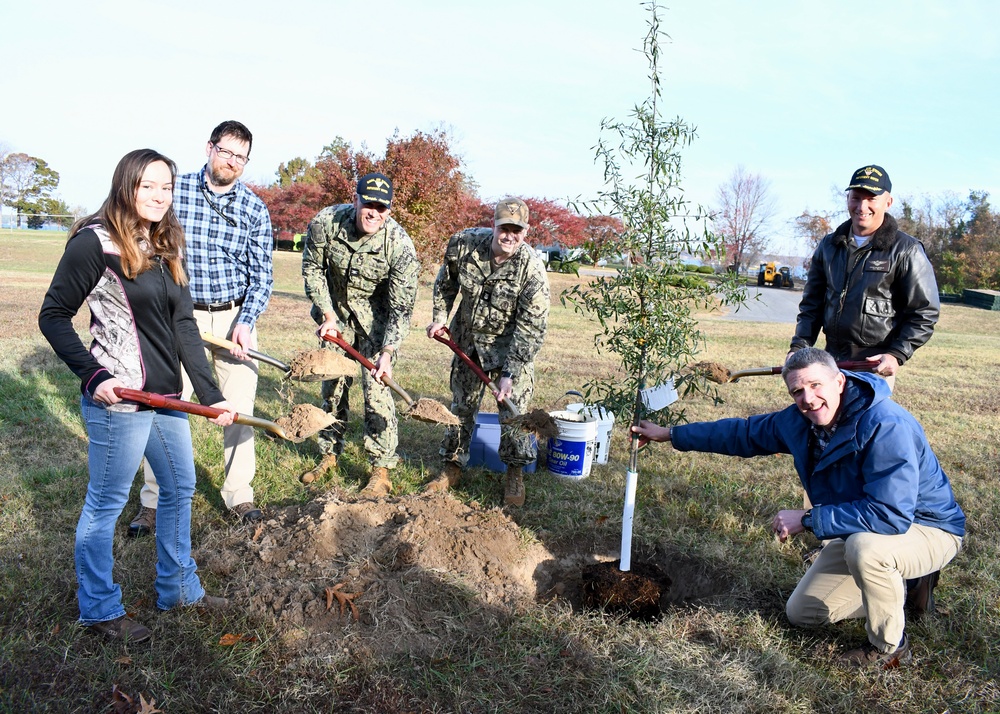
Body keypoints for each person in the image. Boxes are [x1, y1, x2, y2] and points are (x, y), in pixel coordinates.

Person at [632, 348, 964, 669]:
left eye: (816, 385)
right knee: (803, 613)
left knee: (867, 551)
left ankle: (889, 646)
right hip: (864, 529)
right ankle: (899, 586)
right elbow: (742, 433)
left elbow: (890, 514)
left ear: (839, 381)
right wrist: (670, 434)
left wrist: (807, 519)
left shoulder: (885, 424)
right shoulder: (799, 421)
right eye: (797, 391)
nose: (807, 398)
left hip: (925, 527)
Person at [38, 149, 237, 643]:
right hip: (119, 400)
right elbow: (53, 315)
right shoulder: (94, 243)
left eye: (166, 187)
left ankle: (179, 589)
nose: (158, 195)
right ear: (126, 184)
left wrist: (210, 395)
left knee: (178, 488)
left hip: (165, 397)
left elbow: (184, 326)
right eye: (148, 185)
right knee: (106, 504)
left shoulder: (166, 242)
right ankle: (101, 610)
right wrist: (93, 375)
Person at [129, 120, 273, 535]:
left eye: (241, 158)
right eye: (226, 152)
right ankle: (153, 503)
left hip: (233, 319)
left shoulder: (253, 209)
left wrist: (246, 321)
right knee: (168, 405)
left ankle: (239, 495)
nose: (232, 162)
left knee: (239, 409)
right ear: (209, 147)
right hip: (179, 314)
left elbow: (262, 275)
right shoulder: (176, 193)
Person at [424, 198, 550, 506]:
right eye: (503, 228)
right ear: (493, 225)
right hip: (468, 341)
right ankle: (452, 466)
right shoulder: (464, 244)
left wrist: (509, 373)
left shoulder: (532, 269)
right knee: (462, 406)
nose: (509, 236)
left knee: (514, 412)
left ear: (526, 231)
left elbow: (532, 326)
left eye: (516, 230)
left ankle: (514, 474)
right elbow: (445, 283)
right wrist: (440, 317)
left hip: (511, 349)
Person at [300, 172, 419, 494]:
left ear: (389, 211)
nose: (373, 213)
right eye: (368, 204)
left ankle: (380, 468)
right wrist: (327, 314)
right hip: (335, 317)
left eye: (381, 208)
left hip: (376, 325)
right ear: (356, 200)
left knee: (377, 392)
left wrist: (388, 352)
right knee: (333, 388)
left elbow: (402, 307)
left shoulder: (399, 245)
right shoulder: (326, 222)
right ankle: (329, 454)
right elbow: (312, 268)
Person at [789, 165, 940, 391]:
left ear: (888, 202)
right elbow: (812, 305)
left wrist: (896, 354)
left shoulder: (906, 250)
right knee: (826, 424)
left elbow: (924, 312)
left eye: (871, 199)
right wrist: (799, 346)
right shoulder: (829, 246)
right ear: (847, 199)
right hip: (831, 364)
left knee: (865, 425)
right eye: (856, 198)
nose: (862, 207)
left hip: (874, 368)